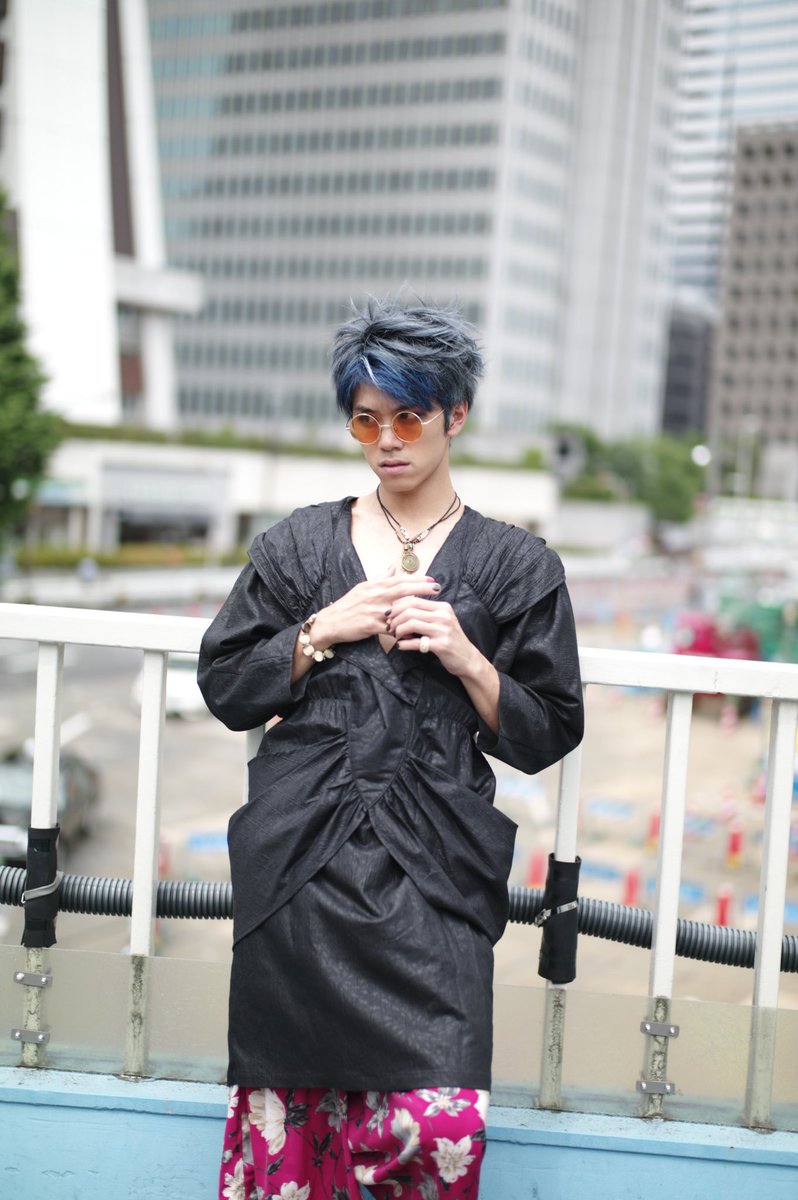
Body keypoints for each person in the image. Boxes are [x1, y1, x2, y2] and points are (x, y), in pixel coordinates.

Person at [197, 296, 584, 1200]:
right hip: (301, 857)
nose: (385, 441)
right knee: (286, 1122)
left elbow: (550, 728)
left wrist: (467, 657)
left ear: (456, 416)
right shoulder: (298, 546)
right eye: (365, 420)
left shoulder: (517, 565)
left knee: (439, 1122)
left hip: (436, 864)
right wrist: (318, 631)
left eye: (408, 417)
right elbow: (226, 685)